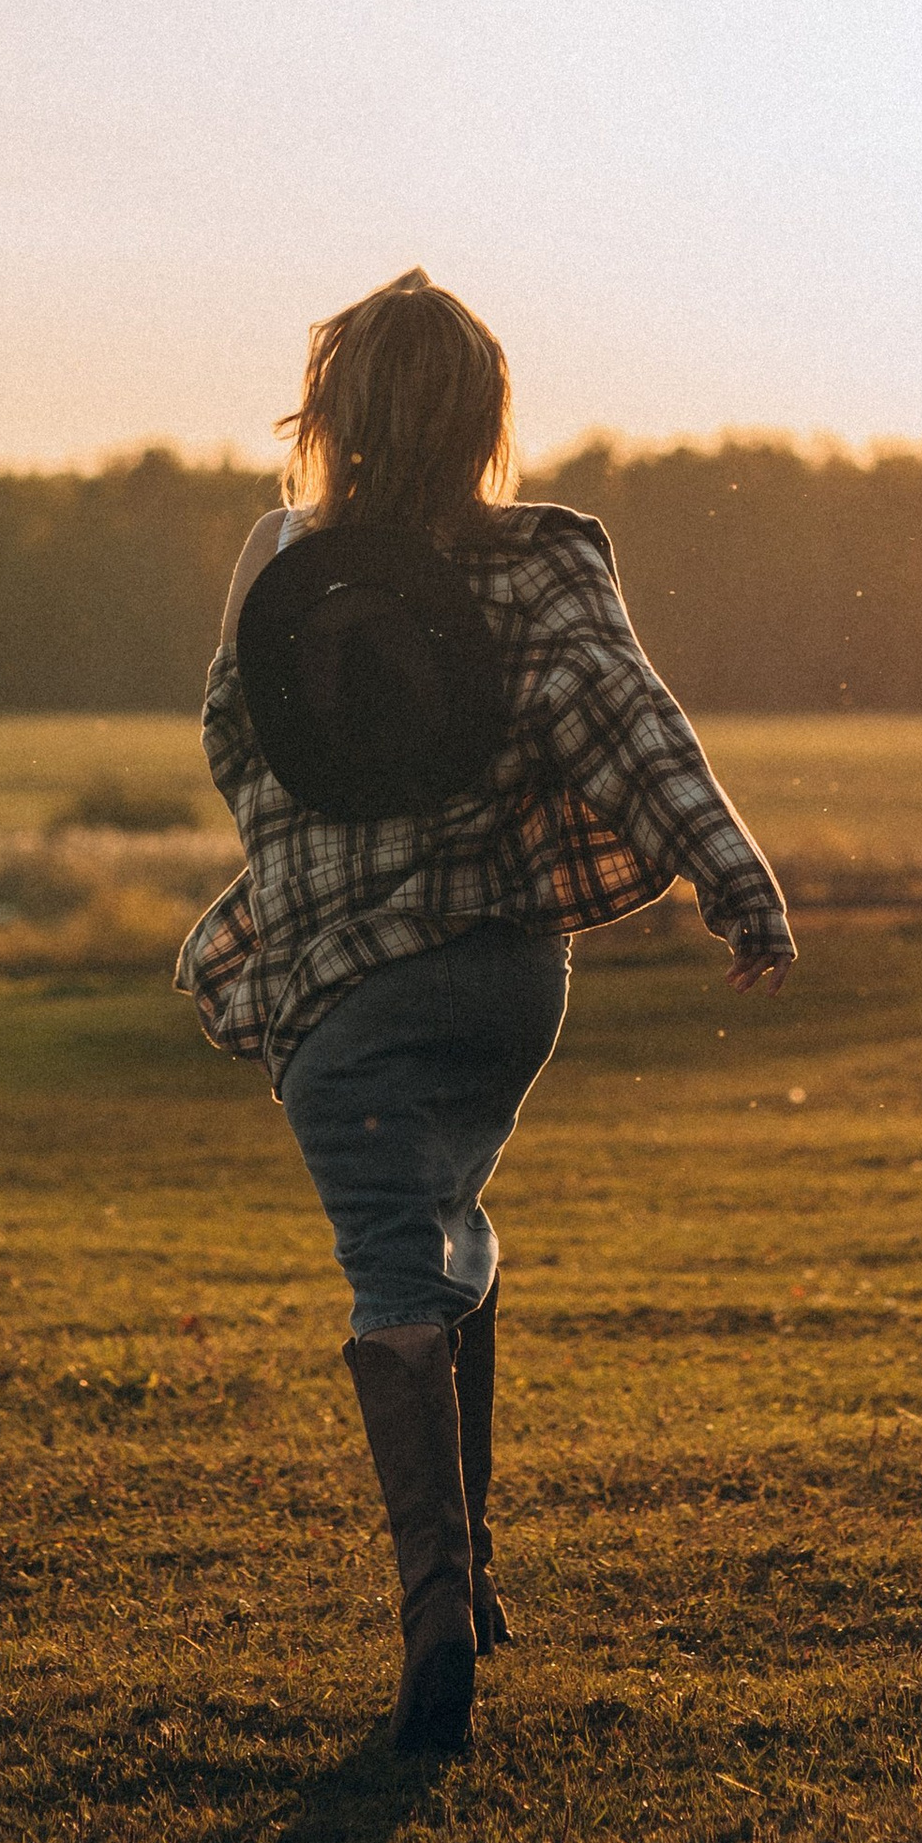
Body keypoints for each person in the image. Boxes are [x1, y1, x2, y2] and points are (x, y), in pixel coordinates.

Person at [178, 270, 796, 1753]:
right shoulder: (541, 565)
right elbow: (622, 716)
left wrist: (323, 839)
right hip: (507, 980)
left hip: (350, 990)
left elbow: (228, 737)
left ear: (331, 418)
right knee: (448, 1222)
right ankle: (485, 1574)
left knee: (394, 1262)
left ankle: (436, 1621)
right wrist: (735, 881)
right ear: (484, 422)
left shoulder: (283, 562)